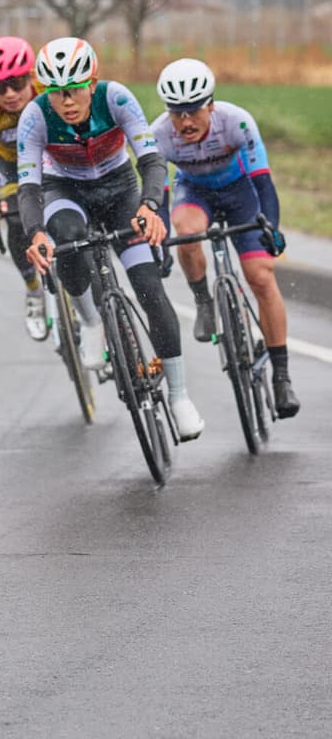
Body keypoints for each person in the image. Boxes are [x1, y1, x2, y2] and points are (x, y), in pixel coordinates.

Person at [19, 38, 204, 439]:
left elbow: (151, 160)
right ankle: (91, 321)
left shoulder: (116, 98)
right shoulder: (34, 116)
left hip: (120, 190)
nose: (67, 101)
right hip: (65, 190)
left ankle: (179, 397)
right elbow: (29, 187)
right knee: (66, 238)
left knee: (149, 287)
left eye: (75, 89)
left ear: (92, 82)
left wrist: (149, 206)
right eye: (57, 92)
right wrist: (35, 232)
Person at [152, 58, 297, 417]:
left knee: (261, 277)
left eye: (193, 112)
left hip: (240, 192)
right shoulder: (158, 134)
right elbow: (160, 197)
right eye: (177, 113)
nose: (186, 122)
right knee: (186, 233)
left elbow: (263, 181)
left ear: (211, 106)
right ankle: (204, 300)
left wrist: (272, 228)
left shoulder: (236, 121)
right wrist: (159, 242)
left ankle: (281, 375)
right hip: (194, 192)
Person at [0, 37, 48, 341]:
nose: (10, 94)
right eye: (0, 87)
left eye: (16, 83)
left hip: (49, 157)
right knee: (14, 218)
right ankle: (33, 289)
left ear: (31, 75)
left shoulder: (46, 88)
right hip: (9, 166)